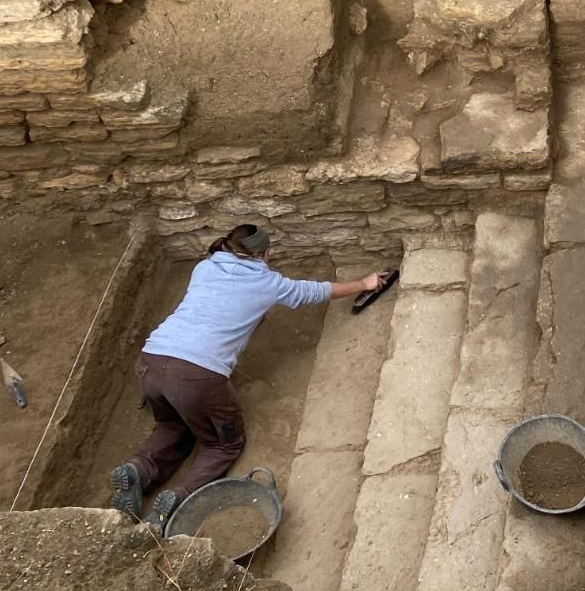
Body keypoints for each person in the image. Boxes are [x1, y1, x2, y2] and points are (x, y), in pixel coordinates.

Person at [108, 224, 382, 532]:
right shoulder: (268, 283)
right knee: (223, 443)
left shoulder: (204, 268)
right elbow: (317, 291)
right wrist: (364, 282)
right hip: (197, 376)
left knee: (173, 424)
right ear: (264, 254)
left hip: (152, 360)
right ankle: (178, 496)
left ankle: (137, 470)